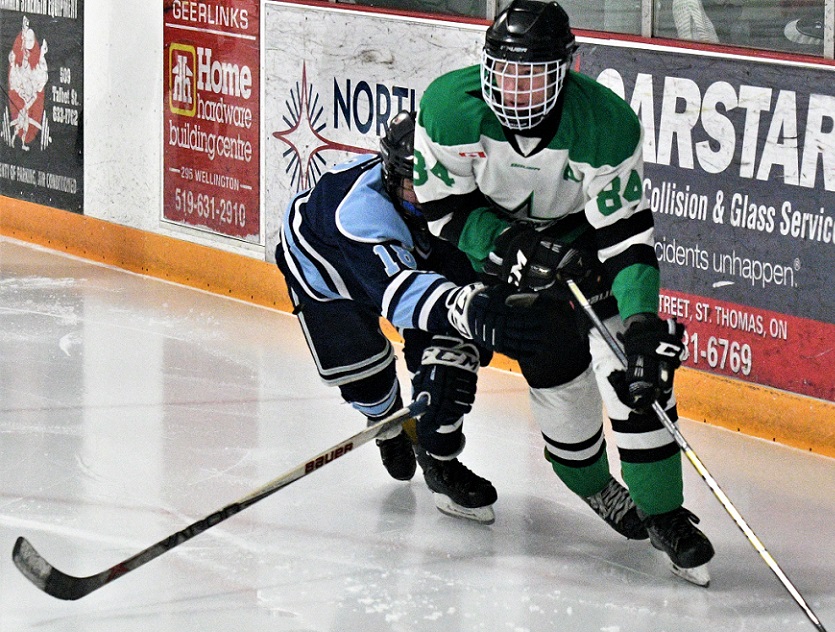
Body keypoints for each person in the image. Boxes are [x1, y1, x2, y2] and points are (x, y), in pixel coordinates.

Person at [413, 0, 715, 584]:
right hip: (497, 256)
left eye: (532, 75)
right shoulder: (449, 108)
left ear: (565, 69)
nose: (515, 89)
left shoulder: (606, 124)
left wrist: (642, 323)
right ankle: (594, 485)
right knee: (561, 390)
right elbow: (444, 211)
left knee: (636, 376)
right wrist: (509, 246)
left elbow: (626, 239)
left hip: (584, 251)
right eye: (505, 72)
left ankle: (665, 513)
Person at [276, 110, 545, 524]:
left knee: (451, 358)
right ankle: (386, 423)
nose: (423, 194)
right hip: (327, 274)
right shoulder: (360, 215)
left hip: (409, 262)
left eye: (433, 181)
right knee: (367, 380)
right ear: (389, 175)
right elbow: (400, 296)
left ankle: (439, 461)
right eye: (411, 183)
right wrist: (467, 307)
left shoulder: (458, 201)